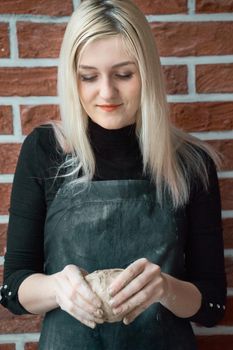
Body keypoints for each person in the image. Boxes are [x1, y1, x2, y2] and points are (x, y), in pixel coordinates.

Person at [0, 0, 227, 349]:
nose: (106, 92)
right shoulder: (45, 150)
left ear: (147, 73)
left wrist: (166, 288)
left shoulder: (190, 162)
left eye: (124, 74)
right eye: (88, 76)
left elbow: (212, 305)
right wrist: (56, 288)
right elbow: (13, 288)